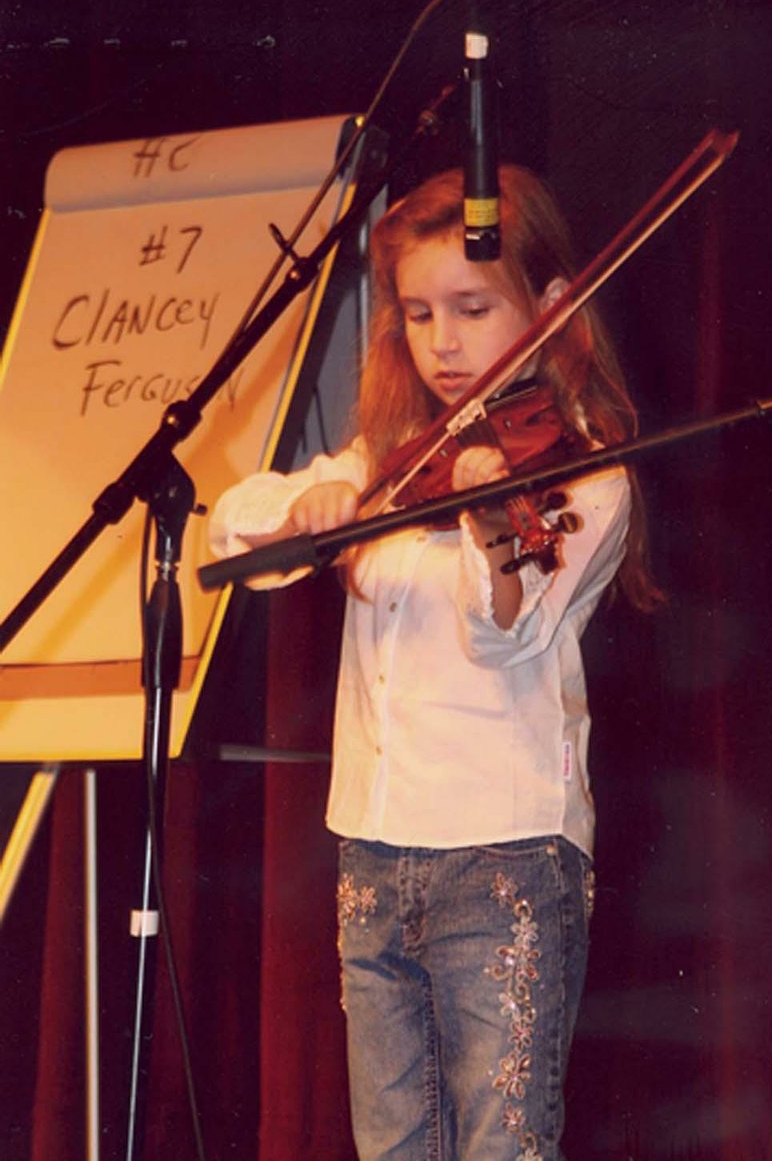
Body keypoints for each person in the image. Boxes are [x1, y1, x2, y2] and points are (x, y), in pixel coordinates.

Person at [208, 164, 658, 1161]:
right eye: (416, 312)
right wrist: (306, 512)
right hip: (372, 852)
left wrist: (491, 520)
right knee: (391, 1148)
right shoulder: (386, 455)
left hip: (503, 854)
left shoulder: (583, 473)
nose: (442, 341)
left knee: (502, 1146)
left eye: (470, 307)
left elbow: (509, 628)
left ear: (548, 306)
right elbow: (233, 533)